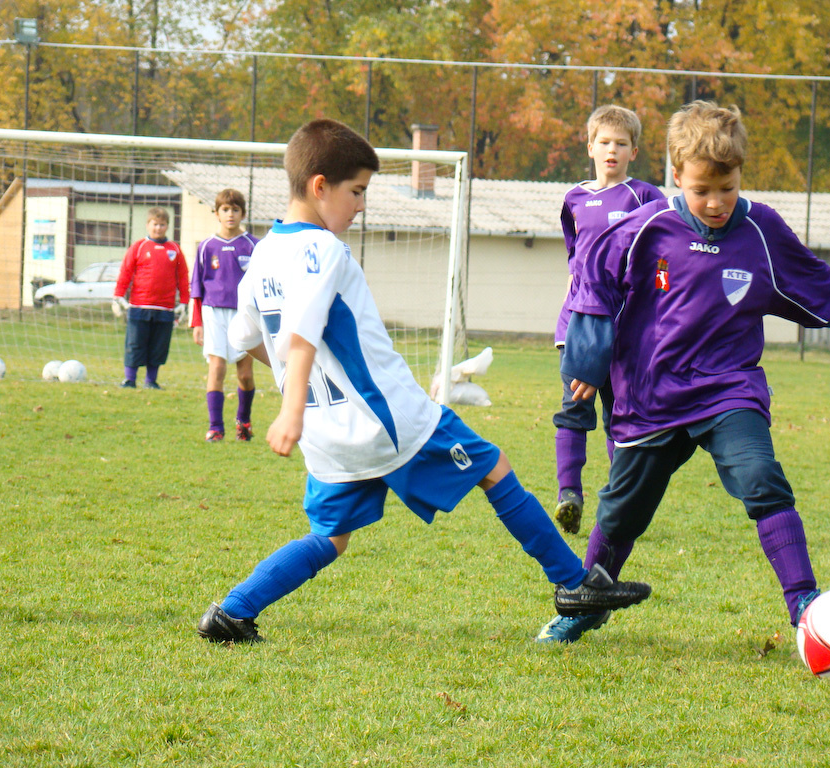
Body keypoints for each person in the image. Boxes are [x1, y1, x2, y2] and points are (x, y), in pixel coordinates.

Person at [196, 118, 652, 644]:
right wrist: (290, 407)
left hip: (330, 436)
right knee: (494, 468)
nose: (361, 205)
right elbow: (298, 337)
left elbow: (250, 340)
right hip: (388, 420)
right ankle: (573, 585)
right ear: (320, 186)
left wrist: (304, 397)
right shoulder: (320, 250)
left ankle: (232, 611)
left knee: (330, 537)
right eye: (357, 192)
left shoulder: (264, 255)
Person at [536, 101, 830, 644]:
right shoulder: (643, 230)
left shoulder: (761, 229)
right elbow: (593, 286)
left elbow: (818, 283)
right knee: (620, 510)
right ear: (675, 178)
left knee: (762, 478)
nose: (715, 203)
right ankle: (589, 603)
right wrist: (589, 362)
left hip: (728, 389)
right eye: (701, 190)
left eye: (727, 188)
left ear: (741, 175)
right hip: (652, 395)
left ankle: (804, 604)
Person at [552, 105, 664, 536]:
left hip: (625, 329)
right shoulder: (574, 199)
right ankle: (569, 496)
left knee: (623, 414)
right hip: (579, 325)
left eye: (621, 143)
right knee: (574, 408)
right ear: (590, 146)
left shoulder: (646, 197)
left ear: (634, 150)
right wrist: (564, 319)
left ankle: (621, 503)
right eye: (604, 142)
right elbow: (575, 262)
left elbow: (662, 261)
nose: (611, 150)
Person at [189, 189, 259, 442]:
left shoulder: (254, 245)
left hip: (245, 314)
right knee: (216, 369)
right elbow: (196, 286)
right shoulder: (207, 246)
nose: (230, 214)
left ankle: (244, 420)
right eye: (225, 209)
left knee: (245, 375)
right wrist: (196, 322)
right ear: (217, 213)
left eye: (235, 209)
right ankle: (215, 427)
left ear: (243, 213)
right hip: (213, 312)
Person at [113, 207, 190, 389]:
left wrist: (185, 302)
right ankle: (130, 379)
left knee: (158, 347)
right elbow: (125, 272)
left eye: (162, 225)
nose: (158, 228)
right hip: (139, 306)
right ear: (148, 225)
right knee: (135, 343)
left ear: (167, 226)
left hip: (165, 309)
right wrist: (117, 296)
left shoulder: (175, 250)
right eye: (155, 224)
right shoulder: (138, 247)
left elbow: (183, 277)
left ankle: (151, 381)